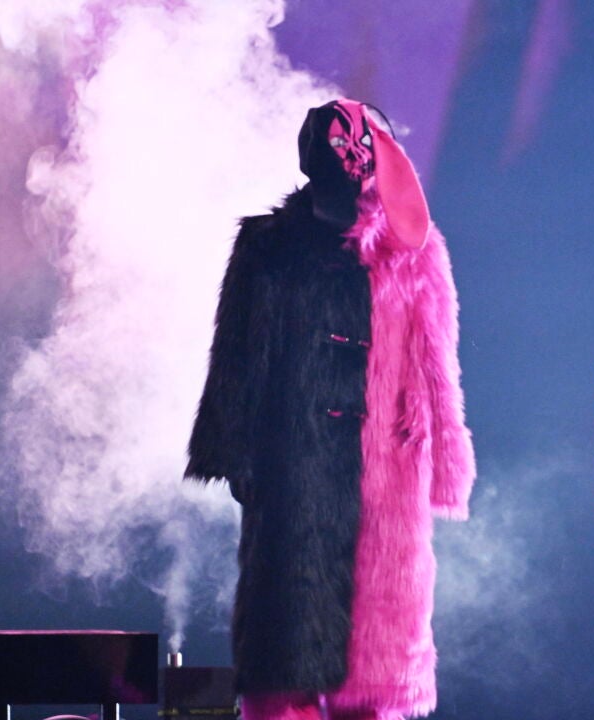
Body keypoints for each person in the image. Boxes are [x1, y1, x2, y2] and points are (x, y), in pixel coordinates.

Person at [185, 99, 474, 720]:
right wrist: (232, 453)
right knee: (285, 651)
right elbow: (235, 353)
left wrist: (445, 462)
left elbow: (436, 364)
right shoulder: (267, 247)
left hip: (386, 475)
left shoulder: (413, 250)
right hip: (289, 472)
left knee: (374, 667)